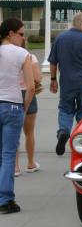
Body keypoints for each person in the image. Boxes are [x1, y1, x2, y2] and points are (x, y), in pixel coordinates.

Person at [48, 12, 82, 156]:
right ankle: (81, 142)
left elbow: (53, 61)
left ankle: (63, 131)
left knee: (65, 109)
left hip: (66, 83)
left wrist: (53, 79)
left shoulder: (60, 38)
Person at [0, 18, 35, 214]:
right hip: (12, 105)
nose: (24, 37)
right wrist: (24, 107)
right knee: (8, 155)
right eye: (21, 34)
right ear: (10, 34)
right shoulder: (22, 54)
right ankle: (5, 200)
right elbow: (30, 86)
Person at [15, 40, 42, 176]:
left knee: (12, 132)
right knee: (29, 132)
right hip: (28, 93)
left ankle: (15, 166)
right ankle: (31, 163)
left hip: (10, 94)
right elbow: (37, 78)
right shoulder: (30, 57)